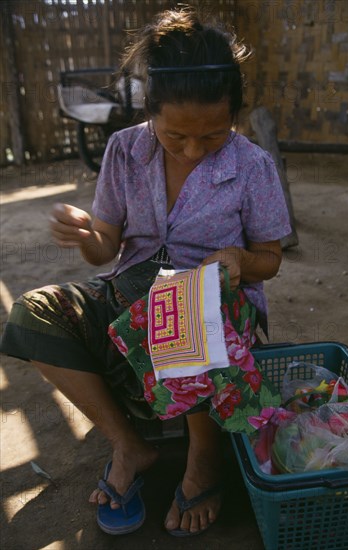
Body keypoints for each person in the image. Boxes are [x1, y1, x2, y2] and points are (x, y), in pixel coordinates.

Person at [0, 7, 291, 537]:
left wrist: (240, 261)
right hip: (132, 296)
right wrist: (89, 236)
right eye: (176, 135)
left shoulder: (253, 165)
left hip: (216, 310)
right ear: (150, 110)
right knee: (29, 316)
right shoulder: (123, 150)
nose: (194, 149)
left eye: (213, 135)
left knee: (183, 305)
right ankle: (127, 445)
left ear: (234, 115)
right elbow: (106, 247)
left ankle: (204, 455)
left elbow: (269, 258)